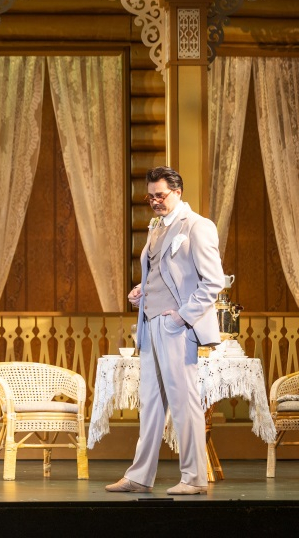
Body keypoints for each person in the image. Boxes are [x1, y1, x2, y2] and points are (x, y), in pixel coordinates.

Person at [106, 166, 224, 496]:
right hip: (150, 322)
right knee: (151, 403)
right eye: (150, 197)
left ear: (178, 192)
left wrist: (182, 317)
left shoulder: (197, 226)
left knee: (184, 403)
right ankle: (140, 476)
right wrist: (142, 290)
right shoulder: (156, 228)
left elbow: (213, 282)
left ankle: (194, 478)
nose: (155, 201)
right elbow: (163, 274)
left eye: (160, 195)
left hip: (176, 326)